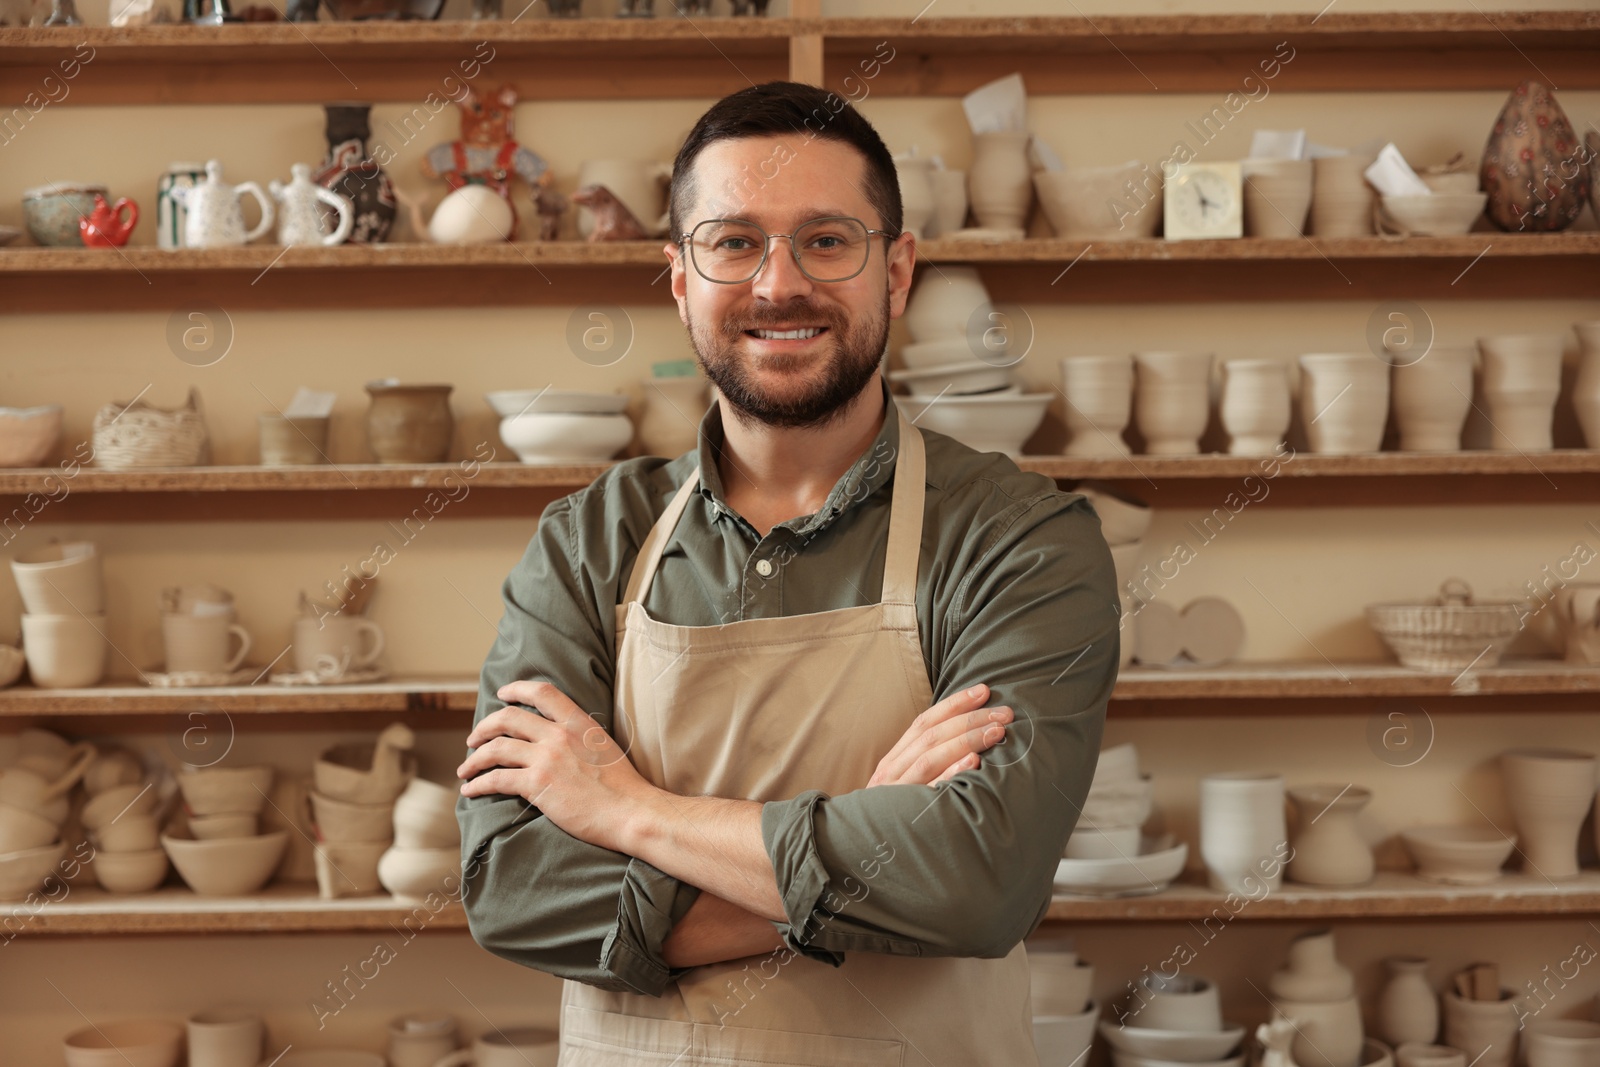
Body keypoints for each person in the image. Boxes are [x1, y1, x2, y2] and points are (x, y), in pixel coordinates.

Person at [455, 80, 1117, 1066]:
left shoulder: (1017, 539)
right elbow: (512, 887)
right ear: (678, 276)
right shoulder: (589, 542)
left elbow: (978, 881)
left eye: (826, 239)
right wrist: (870, 851)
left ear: (896, 271)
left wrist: (628, 810)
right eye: (731, 242)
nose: (778, 285)